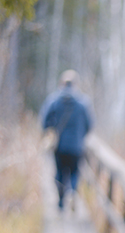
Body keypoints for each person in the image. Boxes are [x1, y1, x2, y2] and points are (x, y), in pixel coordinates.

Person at [41, 70, 94, 210]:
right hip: (76, 146)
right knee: (74, 172)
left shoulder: (53, 101)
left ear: (62, 83)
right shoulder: (83, 103)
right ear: (75, 84)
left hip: (59, 146)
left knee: (59, 172)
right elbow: (90, 125)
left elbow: (44, 122)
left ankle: (60, 200)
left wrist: (51, 131)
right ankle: (72, 192)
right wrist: (81, 135)